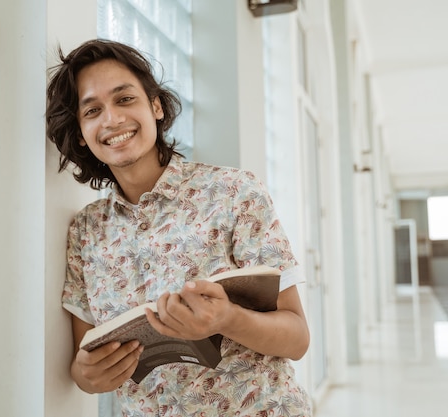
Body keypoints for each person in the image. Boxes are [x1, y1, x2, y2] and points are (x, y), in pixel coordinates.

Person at [46, 38, 312, 416]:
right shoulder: (85, 231)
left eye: (124, 99)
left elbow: (297, 339)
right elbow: (85, 371)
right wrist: (88, 374)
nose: (112, 120)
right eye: (92, 111)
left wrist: (227, 319)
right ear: (80, 135)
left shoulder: (234, 192)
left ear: (155, 106)